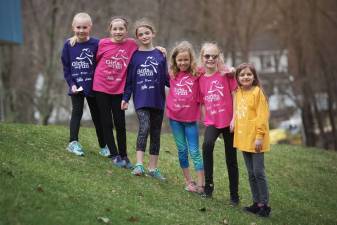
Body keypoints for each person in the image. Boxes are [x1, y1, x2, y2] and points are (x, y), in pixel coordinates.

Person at [121, 18, 169, 180]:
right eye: (140, 34)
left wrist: (184, 83)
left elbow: (166, 78)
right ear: (137, 37)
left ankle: (153, 168)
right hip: (141, 100)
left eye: (147, 33)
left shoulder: (160, 55)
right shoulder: (134, 57)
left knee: (156, 132)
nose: (144, 36)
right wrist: (126, 98)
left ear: (153, 34)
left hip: (158, 100)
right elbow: (129, 80)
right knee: (144, 126)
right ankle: (139, 164)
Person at [93, 16, 138, 168]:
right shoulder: (102, 43)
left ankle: (124, 155)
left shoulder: (132, 45)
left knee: (120, 123)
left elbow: (145, 49)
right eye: (115, 29)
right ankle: (114, 154)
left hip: (119, 89)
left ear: (126, 30)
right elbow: (92, 57)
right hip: (101, 87)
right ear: (110, 30)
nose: (118, 32)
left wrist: (159, 49)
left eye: (121, 29)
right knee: (106, 122)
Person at [198, 42, 239, 204]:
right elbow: (201, 102)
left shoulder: (226, 74)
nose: (210, 59)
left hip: (229, 122)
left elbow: (235, 96)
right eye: (207, 56)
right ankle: (208, 187)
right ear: (202, 57)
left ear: (218, 57)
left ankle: (234, 196)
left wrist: (235, 119)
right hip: (212, 122)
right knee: (207, 146)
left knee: (231, 158)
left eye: (214, 56)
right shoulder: (199, 77)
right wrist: (205, 119)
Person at [61, 12, 106, 156]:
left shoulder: (97, 43)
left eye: (84, 27)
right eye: (78, 27)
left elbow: (114, 50)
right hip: (76, 87)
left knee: (97, 116)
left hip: (94, 86)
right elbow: (67, 68)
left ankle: (104, 146)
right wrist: (71, 83)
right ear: (73, 27)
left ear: (90, 27)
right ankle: (73, 142)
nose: (81, 30)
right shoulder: (69, 45)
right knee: (77, 112)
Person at [233, 63, 271, 217]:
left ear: (254, 77)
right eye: (242, 75)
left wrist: (259, 137)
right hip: (244, 138)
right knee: (250, 173)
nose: (245, 77)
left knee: (258, 172)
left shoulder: (257, 93)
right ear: (238, 78)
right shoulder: (238, 92)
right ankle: (256, 203)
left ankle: (265, 205)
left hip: (256, 140)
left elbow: (262, 117)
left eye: (249, 74)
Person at [166, 41, 204, 192]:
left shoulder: (197, 73)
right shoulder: (172, 73)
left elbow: (214, 68)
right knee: (182, 150)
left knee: (194, 151)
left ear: (191, 60)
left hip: (190, 121)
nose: (183, 62)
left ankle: (201, 184)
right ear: (175, 60)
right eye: (180, 60)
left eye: (186, 60)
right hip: (175, 119)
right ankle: (189, 182)